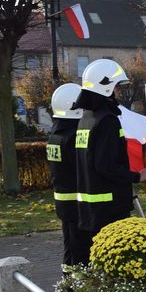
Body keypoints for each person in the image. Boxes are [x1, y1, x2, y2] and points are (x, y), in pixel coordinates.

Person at [73, 59, 146, 239]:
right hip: (110, 208)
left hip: (91, 208)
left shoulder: (86, 119)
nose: (119, 92)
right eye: (117, 87)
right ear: (105, 87)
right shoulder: (108, 121)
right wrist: (137, 176)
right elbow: (106, 166)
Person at [46, 83, 91, 265]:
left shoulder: (55, 136)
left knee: (70, 246)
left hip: (63, 201)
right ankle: (77, 284)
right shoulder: (73, 137)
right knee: (80, 249)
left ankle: (70, 280)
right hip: (77, 203)